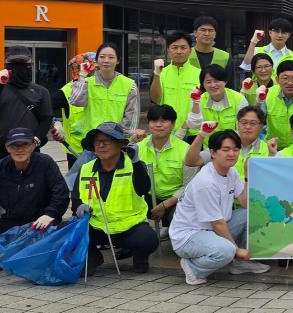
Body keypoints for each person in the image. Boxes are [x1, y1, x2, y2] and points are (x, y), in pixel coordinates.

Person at [171, 129, 270, 285]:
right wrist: (237, 250)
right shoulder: (206, 182)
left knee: (250, 214)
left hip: (212, 228)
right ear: (213, 153)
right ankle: (194, 268)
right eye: (226, 149)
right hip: (189, 235)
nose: (232, 154)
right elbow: (217, 223)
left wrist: (247, 176)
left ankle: (240, 264)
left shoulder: (231, 172)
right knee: (227, 251)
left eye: (235, 149)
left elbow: (245, 203)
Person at [72, 122, 160, 274]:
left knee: (148, 239)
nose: (101, 145)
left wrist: (136, 162)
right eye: (97, 141)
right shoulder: (86, 168)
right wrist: (80, 207)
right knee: (67, 231)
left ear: (120, 144)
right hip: (96, 225)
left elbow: (143, 189)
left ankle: (140, 258)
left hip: (129, 227)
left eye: (107, 141)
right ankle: (93, 257)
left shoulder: (134, 165)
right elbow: (76, 198)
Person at [0, 127, 68, 233]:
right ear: (7, 148)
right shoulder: (2, 166)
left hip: (42, 221)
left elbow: (60, 191)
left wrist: (50, 214)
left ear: (33, 146)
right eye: (14, 145)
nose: (19, 149)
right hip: (10, 222)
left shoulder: (46, 163)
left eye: (25, 144)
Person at [136, 105, 190, 235]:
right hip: (146, 198)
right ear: (148, 123)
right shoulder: (137, 148)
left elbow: (190, 185)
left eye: (164, 121)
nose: (158, 125)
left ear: (173, 124)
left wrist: (165, 205)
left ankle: (172, 230)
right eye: (154, 121)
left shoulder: (185, 149)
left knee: (182, 217)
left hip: (175, 199)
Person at [70, 42, 138, 132]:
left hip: (116, 138)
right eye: (102, 57)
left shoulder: (129, 84)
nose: (106, 60)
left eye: (111, 57)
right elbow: (76, 102)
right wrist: (82, 76)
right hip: (92, 138)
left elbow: (131, 118)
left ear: (118, 60)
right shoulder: (86, 82)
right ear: (96, 60)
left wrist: (120, 137)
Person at [0, 47, 53, 155]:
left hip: (31, 151)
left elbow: (46, 119)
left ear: (30, 66)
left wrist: (35, 141)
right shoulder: (1, 89)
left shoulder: (41, 91)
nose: (20, 68)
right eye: (14, 64)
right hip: (3, 151)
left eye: (24, 65)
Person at [150, 32, 202, 135]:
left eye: (183, 48)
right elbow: (155, 99)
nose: (179, 51)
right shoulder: (160, 73)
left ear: (190, 51)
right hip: (167, 130)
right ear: (168, 51)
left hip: (193, 132)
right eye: (174, 47)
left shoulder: (200, 74)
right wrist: (156, 74)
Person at [186, 65, 248, 137]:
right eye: (208, 82)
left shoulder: (239, 99)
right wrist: (195, 103)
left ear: (225, 81)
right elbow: (194, 126)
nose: (213, 85)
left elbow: (244, 127)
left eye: (216, 81)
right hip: (208, 144)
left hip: (233, 142)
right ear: (203, 84)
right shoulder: (199, 100)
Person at [55, 52, 94, 166]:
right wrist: (55, 122)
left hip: (101, 147)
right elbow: (46, 108)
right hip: (76, 152)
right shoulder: (66, 91)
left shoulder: (101, 88)